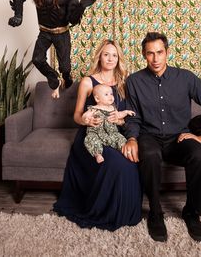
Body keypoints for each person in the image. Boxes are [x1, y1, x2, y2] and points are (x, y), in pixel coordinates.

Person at [122, 31, 201, 243]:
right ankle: (156, 213)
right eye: (150, 53)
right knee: (148, 153)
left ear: (167, 52)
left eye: (160, 52)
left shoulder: (186, 78)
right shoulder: (133, 81)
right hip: (149, 136)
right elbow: (132, 118)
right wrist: (132, 138)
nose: (155, 58)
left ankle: (192, 213)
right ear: (143, 55)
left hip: (179, 138)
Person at [53, 39, 142, 231]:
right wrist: (85, 120)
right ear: (99, 57)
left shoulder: (124, 82)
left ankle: (126, 211)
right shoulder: (88, 81)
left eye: (114, 55)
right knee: (116, 163)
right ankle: (104, 211)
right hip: (91, 135)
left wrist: (119, 120)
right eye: (106, 54)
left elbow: (127, 118)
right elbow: (77, 115)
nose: (110, 58)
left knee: (130, 161)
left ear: (119, 59)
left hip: (114, 134)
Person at [8, 0, 97, 98]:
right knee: (37, 59)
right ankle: (52, 76)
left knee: (65, 66)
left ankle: (66, 76)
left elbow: (72, 20)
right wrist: (18, 16)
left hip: (61, 34)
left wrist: (81, 6)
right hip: (44, 32)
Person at [82, 83, 135, 163]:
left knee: (121, 139)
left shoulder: (112, 108)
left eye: (111, 94)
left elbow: (119, 115)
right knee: (91, 140)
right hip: (96, 133)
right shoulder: (94, 109)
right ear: (97, 99)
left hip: (112, 133)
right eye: (106, 94)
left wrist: (126, 112)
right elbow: (85, 115)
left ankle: (125, 150)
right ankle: (98, 154)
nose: (111, 96)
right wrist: (86, 119)